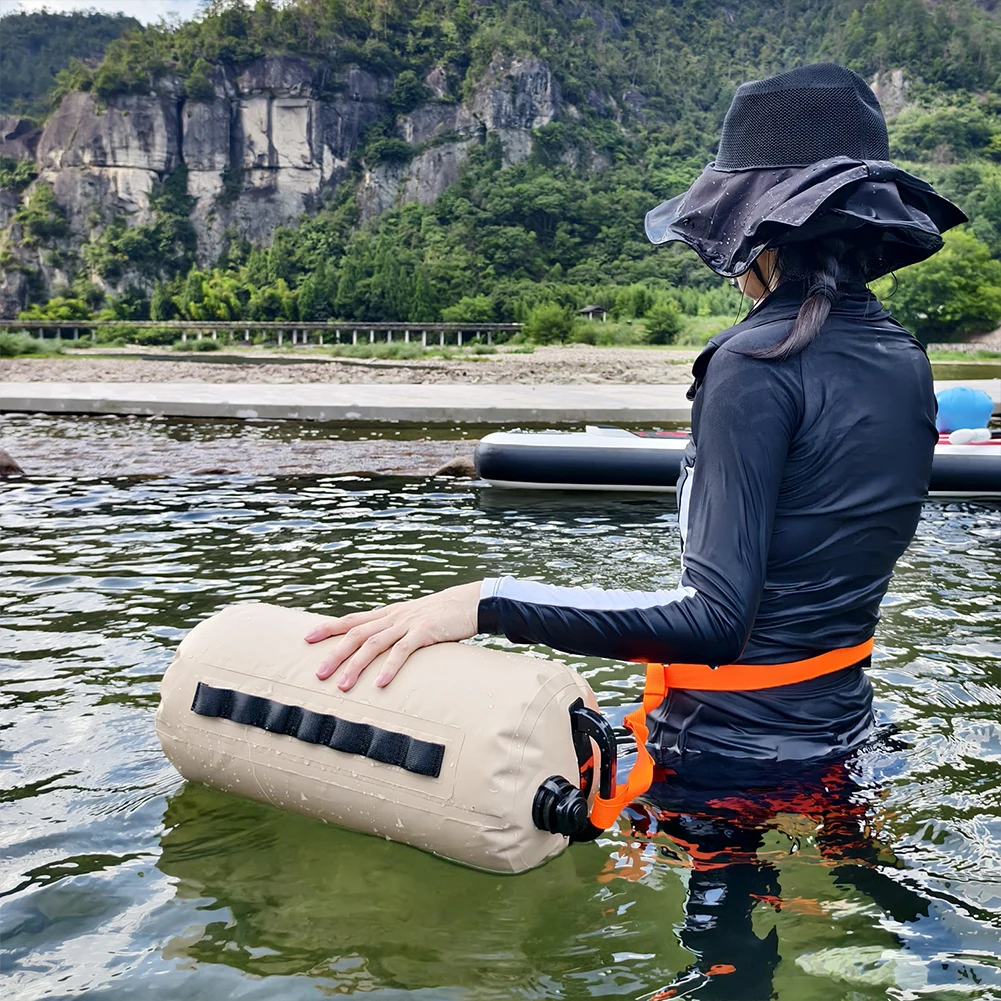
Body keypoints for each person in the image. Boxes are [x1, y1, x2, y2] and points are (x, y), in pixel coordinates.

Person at [305, 64, 965, 799]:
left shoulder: (755, 362)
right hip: (847, 738)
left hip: (725, 765)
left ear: (759, 225)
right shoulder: (903, 357)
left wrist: (484, 601)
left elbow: (713, 620)